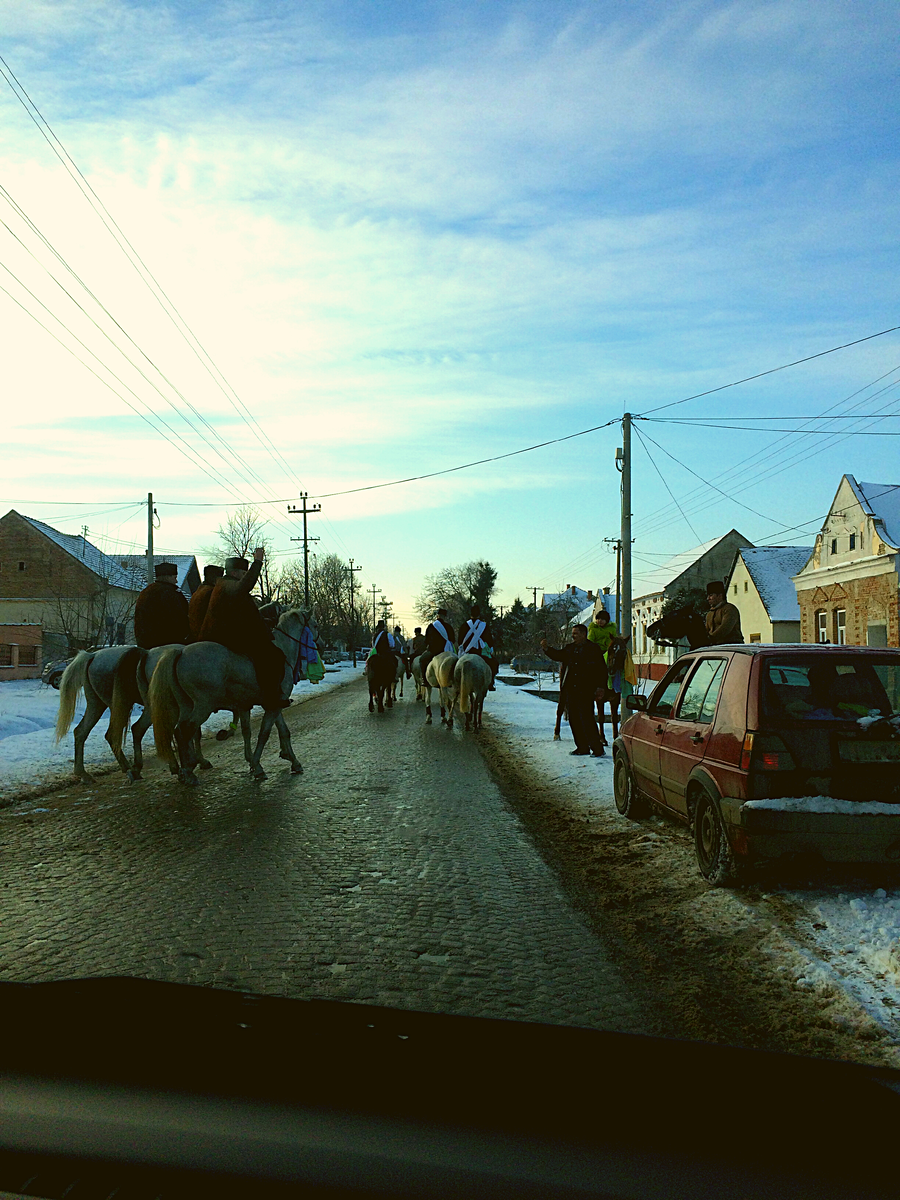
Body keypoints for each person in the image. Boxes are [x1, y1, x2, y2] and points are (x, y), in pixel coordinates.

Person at [197, 548, 289, 710]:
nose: (245, 576)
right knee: (273, 656)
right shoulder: (228, 585)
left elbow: (241, 612)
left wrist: (263, 620)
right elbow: (245, 586)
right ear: (234, 573)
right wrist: (258, 562)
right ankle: (270, 696)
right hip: (228, 637)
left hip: (226, 633)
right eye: (243, 573)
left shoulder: (225, 585)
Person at [540, 624, 608, 756]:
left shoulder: (593, 649)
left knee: (587, 719)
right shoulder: (570, 649)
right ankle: (582, 747)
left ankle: (597, 748)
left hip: (586, 690)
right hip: (571, 690)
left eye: (576, 633)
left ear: (584, 634)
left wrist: (600, 687)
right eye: (573, 633)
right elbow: (558, 655)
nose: (573, 636)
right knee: (574, 720)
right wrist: (547, 649)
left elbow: (601, 670)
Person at [133, 562, 190, 650]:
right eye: (174, 577)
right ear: (167, 577)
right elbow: (179, 619)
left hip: (144, 644)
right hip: (168, 644)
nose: (176, 581)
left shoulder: (146, 592)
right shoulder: (170, 593)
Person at [587, 606, 618, 737]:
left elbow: (615, 640)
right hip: (596, 653)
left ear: (607, 621)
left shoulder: (612, 629)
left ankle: (619, 683)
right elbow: (590, 642)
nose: (600, 622)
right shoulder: (593, 630)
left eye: (602, 620)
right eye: (598, 619)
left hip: (609, 652)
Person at [458, 604, 498, 690]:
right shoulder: (484, 625)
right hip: (480, 653)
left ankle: (455, 682)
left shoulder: (464, 625)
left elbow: (460, 640)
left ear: (470, 614)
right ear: (479, 615)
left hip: (466, 653)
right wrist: (490, 648)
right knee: (494, 663)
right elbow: (489, 639)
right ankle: (491, 683)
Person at [419, 608, 456, 687]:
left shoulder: (432, 626)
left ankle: (424, 680)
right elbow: (453, 640)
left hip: (434, 651)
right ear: (444, 617)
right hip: (447, 651)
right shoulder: (448, 627)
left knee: (422, 659)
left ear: (437, 616)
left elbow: (427, 640)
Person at [188, 564, 225, 641]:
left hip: (194, 635)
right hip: (206, 637)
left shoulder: (198, 591)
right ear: (215, 579)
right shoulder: (212, 593)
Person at [704, 581, 744, 645]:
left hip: (731, 646)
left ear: (720, 596)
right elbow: (706, 630)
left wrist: (709, 639)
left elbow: (725, 629)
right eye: (708, 596)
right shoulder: (709, 614)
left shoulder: (730, 609)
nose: (708, 598)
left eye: (711, 595)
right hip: (714, 646)